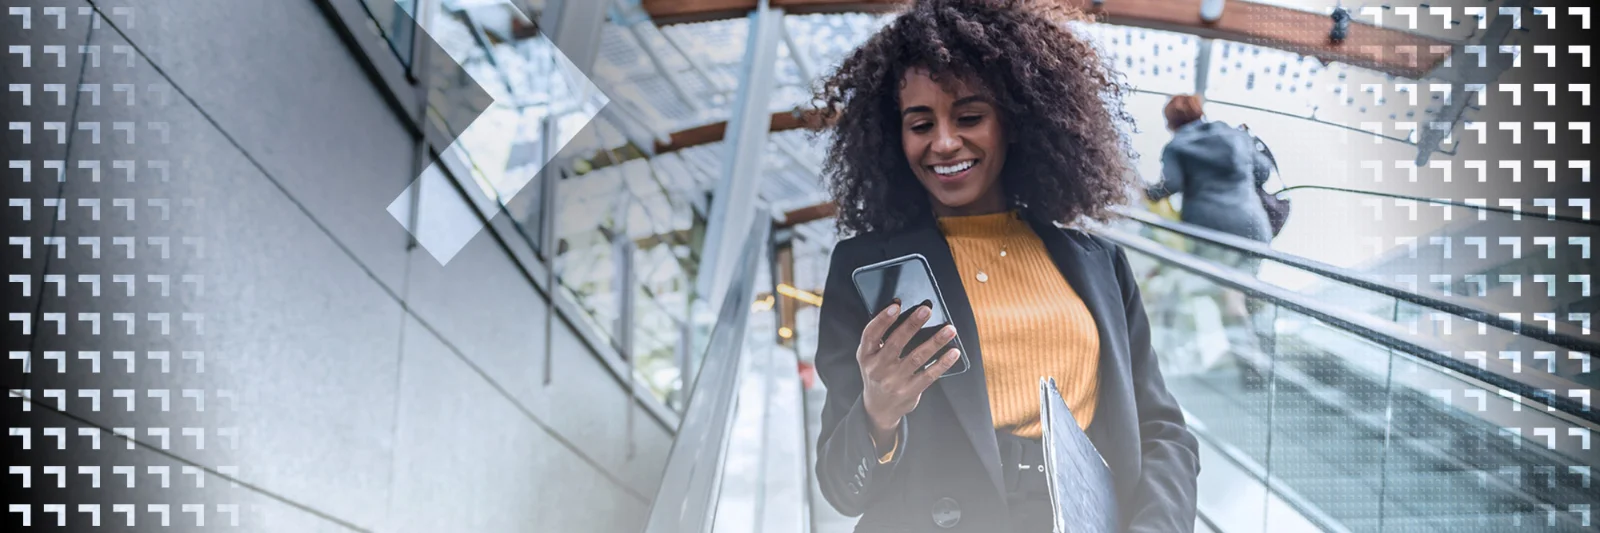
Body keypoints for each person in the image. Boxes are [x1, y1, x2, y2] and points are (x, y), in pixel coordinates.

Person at [809, 1, 1199, 531]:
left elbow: (1161, 431)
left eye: (970, 116)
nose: (944, 142)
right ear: (893, 137)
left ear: (1014, 122)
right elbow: (840, 487)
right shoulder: (865, 270)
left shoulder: (1099, 263)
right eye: (920, 123)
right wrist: (878, 412)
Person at [1144, 94, 1274, 245]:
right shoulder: (1236, 136)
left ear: (1171, 123)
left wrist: (1145, 192)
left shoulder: (1176, 147)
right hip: (1253, 227)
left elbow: (1170, 185)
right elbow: (1263, 172)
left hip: (1208, 229)